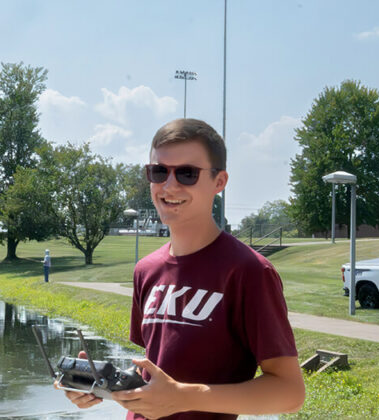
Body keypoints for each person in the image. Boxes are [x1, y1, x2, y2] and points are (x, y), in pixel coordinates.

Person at [61, 119, 305, 419]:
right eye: (159, 171)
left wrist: (183, 397)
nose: (169, 185)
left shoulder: (249, 271)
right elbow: (158, 373)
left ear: (220, 182)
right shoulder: (146, 270)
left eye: (187, 173)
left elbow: (290, 393)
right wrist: (102, 384)